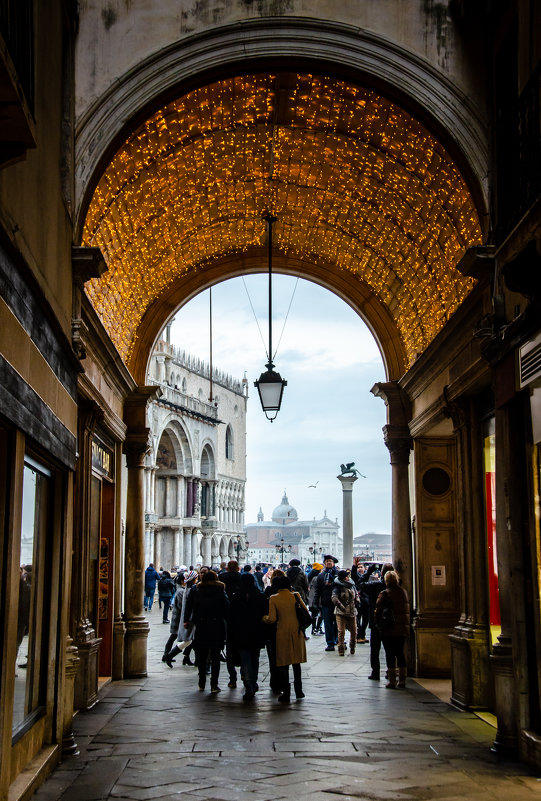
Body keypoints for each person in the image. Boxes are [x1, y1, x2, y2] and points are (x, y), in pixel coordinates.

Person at [263, 574, 308, 702]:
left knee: (284, 663)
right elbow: (305, 612)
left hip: (281, 633)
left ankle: (286, 692)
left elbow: (271, 618)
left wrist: (263, 618)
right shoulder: (296, 595)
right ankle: (299, 690)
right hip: (297, 632)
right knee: (296, 663)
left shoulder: (274, 598)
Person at [184, 569, 229, 693]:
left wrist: (186, 620)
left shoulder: (196, 590)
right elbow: (226, 607)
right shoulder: (220, 590)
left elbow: (189, 605)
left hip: (202, 624)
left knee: (202, 655)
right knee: (215, 656)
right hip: (217, 625)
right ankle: (214, 684)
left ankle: (201, 682)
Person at [352, 560, 394, 680]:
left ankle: (375, 672)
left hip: (376, 622)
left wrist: (369, 570)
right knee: (390, 650)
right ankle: (391, 672)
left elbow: (359, 583)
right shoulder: (398, 588)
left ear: (381, 573)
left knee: (375, 650)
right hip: (390, 623)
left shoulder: (375, 586)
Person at [229, 572, 267, 700]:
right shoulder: (260, 596)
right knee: (254, 659)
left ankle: (249, 684)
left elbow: (231, 617)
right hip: (256, 633)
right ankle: (253, 682)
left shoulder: (235, 597)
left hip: (240, 633)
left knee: (245, 659)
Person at [374, 569, 410, 688]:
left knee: (390, 654)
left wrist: (378, 624)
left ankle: (392, 680)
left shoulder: (384, 593)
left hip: (389, 629)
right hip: (402, 629)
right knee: (400, 653)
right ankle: (403, 680)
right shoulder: (403, 592)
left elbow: (378, 611)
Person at [163, 570, 198, 667]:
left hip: (187, 618)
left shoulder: (187, 589)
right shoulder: (189, 590)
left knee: (191, 640)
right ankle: (169, 655)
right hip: (189, 618)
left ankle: (184, 657)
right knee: (189, 640)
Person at [221, 560, 243, 687]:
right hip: (240, 616)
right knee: (242, 647)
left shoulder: (222, 577)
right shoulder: (242, 577)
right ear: (238, 568)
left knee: (229, 648)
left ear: (228, 568)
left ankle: (232, 678)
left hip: (226, 616)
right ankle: (244, 673)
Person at [312, 555, 339, 650]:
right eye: (327, 561)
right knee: (327, 624)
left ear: (334, 563)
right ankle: (330, 643)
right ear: (324, 563)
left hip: (337, 603)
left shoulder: (338, 574)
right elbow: (317, 590)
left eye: (330, 561)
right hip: (326, 602)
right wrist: (315, 602)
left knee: (337, 623)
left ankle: (336, 639)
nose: (329, 563)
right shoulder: (321, 576)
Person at [332, 569, 358, 656]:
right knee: (341, 631)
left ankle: (353, 645)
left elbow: (356, 595)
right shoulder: (337, 587)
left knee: (354, 631)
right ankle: (341, 648)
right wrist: (341, 606)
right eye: (346, 576)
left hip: (351, 611)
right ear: (343, 578)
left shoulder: (352, 585)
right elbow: (334, 598)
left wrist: (358, 600)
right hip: (340, 612)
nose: (348, 577)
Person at [307, 562, 323, 635]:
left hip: (312, 597)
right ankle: (317, 628)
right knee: (320, 614)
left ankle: (315, 628)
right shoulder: (317, 578)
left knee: (314, 614)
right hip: (317, 598)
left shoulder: (310, 576)